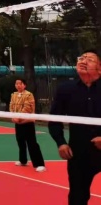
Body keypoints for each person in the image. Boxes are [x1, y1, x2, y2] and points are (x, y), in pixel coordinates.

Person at [49, 49, 101, 205]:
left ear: (99, 67)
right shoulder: (66, 89)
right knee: (77, 196)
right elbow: (54, 119)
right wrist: (61, 142)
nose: (83, 61)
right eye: (81, 58)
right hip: (78, 152)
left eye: (90, 59)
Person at [9, 78, 45, 173]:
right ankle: (23, 160)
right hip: (18, 123)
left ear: (24, 85)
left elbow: (27, 108)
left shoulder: (29, 95)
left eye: (20, 84)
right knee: (20, 142)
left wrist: (19, 117)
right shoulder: (13, 95)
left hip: (28, 122)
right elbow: (11, 106)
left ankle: (40, 164)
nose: (18, 85)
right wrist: (13, 116)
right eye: (16, 83)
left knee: (32, 144)